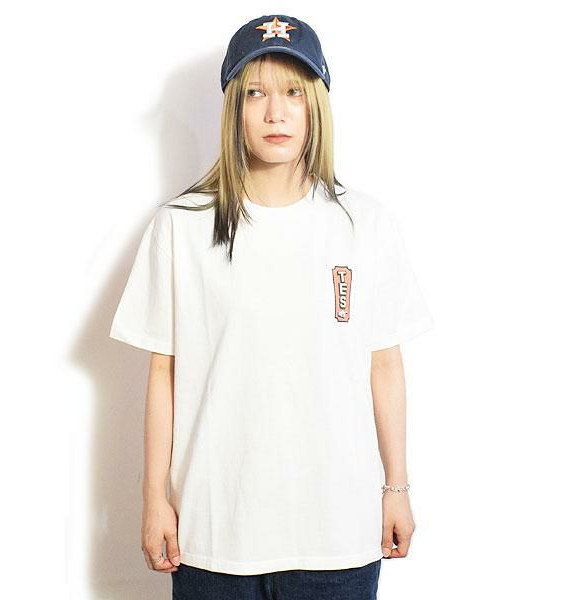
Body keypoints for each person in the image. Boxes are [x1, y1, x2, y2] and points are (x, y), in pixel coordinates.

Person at [109, 13, 434, 600]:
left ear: (317, 106)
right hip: (213, 535)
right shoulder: (182, 226)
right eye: (256, 93)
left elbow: (384, 365)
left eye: (293, 93)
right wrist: (154, 497)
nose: (275, 113)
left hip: (337, 535)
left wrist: (397, 487)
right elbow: (164, 372)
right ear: (234, 107)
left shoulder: (364, 226)